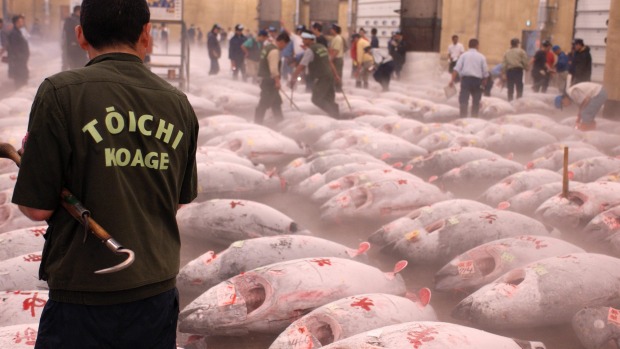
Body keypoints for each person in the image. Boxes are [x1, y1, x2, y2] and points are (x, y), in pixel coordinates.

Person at [11, 0, 198, 347]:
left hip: (83, 295)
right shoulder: (178, 103)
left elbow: (37, 209)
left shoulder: (60, 93)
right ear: (147, 36)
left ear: (80, 36)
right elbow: (176, 200)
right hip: (155, 290)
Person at [291, 32, 340, 118]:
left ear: (311, 39)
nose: (303, 41)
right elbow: (329, 62)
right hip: (329, 76)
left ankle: (334, 113)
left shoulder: (310, 51)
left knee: (316, 99)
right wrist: (336, 75)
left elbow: (301, 66)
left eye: (305, 39)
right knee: (329, 98)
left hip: (322, 77)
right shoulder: (322, 47)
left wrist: (293, 78)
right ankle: (336, 114)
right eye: (303, 39)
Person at [254, 32, 290, 125]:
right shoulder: (274, 51)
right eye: (285, 45)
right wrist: (277, 81)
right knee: (264, 102)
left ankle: (280, 121)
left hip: (264, 78)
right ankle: (257, 123)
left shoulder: (267, 47)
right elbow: (273, 69)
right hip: (269, 80)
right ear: (281, 42)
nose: (284, 48)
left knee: (276, 102)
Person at [449, 38, 488, 118]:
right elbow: (485, 72)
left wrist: (452, 80)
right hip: (477, 81)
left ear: (468, 46)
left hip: (466, 80)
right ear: (477, 46)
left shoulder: (463, 56)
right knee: (476, 101)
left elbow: (456, 69)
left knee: (463, 100)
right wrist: (484, 82)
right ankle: (474, 118)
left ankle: (463, 118)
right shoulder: (481, 57)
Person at [7, 14, 29, 88]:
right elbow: (15, 49)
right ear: (16, 22)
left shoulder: (19, 32)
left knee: (22, 81)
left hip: (21, 62)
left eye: (22, 21)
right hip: (18, 63)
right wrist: (22, 57)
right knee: (20, 83)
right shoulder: (14, 34)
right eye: (20, 21)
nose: (22, 23)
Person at [63, 5, 88, 70]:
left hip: (74, 46)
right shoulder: (74, 20)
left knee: (75, 66)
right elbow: (70, 33)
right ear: (78, 11)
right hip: (76, 47)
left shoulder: (70, 20)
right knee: (78, 66)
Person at [328, 23, 345, 91]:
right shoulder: (335, 38)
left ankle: (338, 90)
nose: (330, 30)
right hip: (334, 59)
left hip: (337, 59)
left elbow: (336, 51)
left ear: (334, 30)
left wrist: (331, 59)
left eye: (331, 29)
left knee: (337, 75)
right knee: (334, 75)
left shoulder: (338, 38)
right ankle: (336, 89)